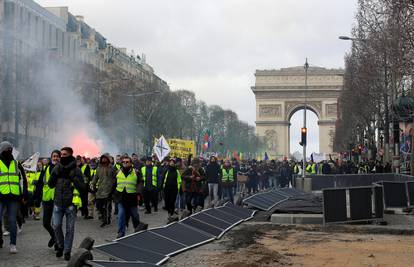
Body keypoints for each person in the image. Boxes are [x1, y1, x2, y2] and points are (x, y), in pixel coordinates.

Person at [48, 147, 85, 261]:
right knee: (56, 226)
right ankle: (61, 245)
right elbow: (50, 185)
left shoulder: (76, 169)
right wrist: (54, 175)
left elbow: (82, 188)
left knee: (70, 229)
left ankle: (67, 251)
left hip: (70, 204)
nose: (62, 156)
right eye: (61, 154)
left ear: (70, 155)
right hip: (58, 203)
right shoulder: (57, 167)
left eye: (65, 154)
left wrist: (74, 178)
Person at [0, 141, 28, 253]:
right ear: (2, 150)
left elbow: (23, 179)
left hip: (14, 197)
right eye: (6, 149)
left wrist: (24, 193)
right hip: (1, 196)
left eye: (10, 149)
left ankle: (13, 244)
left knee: (12, 221)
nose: (8, 151)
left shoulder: (16, 164)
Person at [113, 156, 147, 238]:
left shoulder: (136, 172)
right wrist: (113, 194)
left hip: (132, 197)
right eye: (123, 162)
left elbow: (140, 182)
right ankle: (121, 232)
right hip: (121, 197)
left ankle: (138, 229)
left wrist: (138, 192)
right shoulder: (118, 172)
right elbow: (114, 183)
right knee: (121, 215)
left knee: (135, 215)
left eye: (127, 162)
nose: (125, 163)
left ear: (131, 163)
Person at [34, 150, 61, 249]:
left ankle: (58, 243)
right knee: (45, 223)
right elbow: (41, 183)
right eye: (54, 156)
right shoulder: (46, 168)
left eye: (57, 156)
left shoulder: (62, 169)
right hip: (46, 199)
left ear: (60, 158)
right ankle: (54, 236)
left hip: (57, 199)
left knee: (56, 223)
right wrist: (36, 197)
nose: (55, 158)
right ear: (51, 157)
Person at [92, 154, 116, 227]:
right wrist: (93, 185)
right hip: (100, 190)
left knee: (107, 206)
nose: (104, 160)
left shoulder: (112, 168)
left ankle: (106, 220)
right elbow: (95, 178)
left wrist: (113, 188)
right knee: (99, 206)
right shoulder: (98, 168)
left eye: (105, 159)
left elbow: (116, 178)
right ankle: (103, 216)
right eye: (103, 159)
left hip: (109, 190)